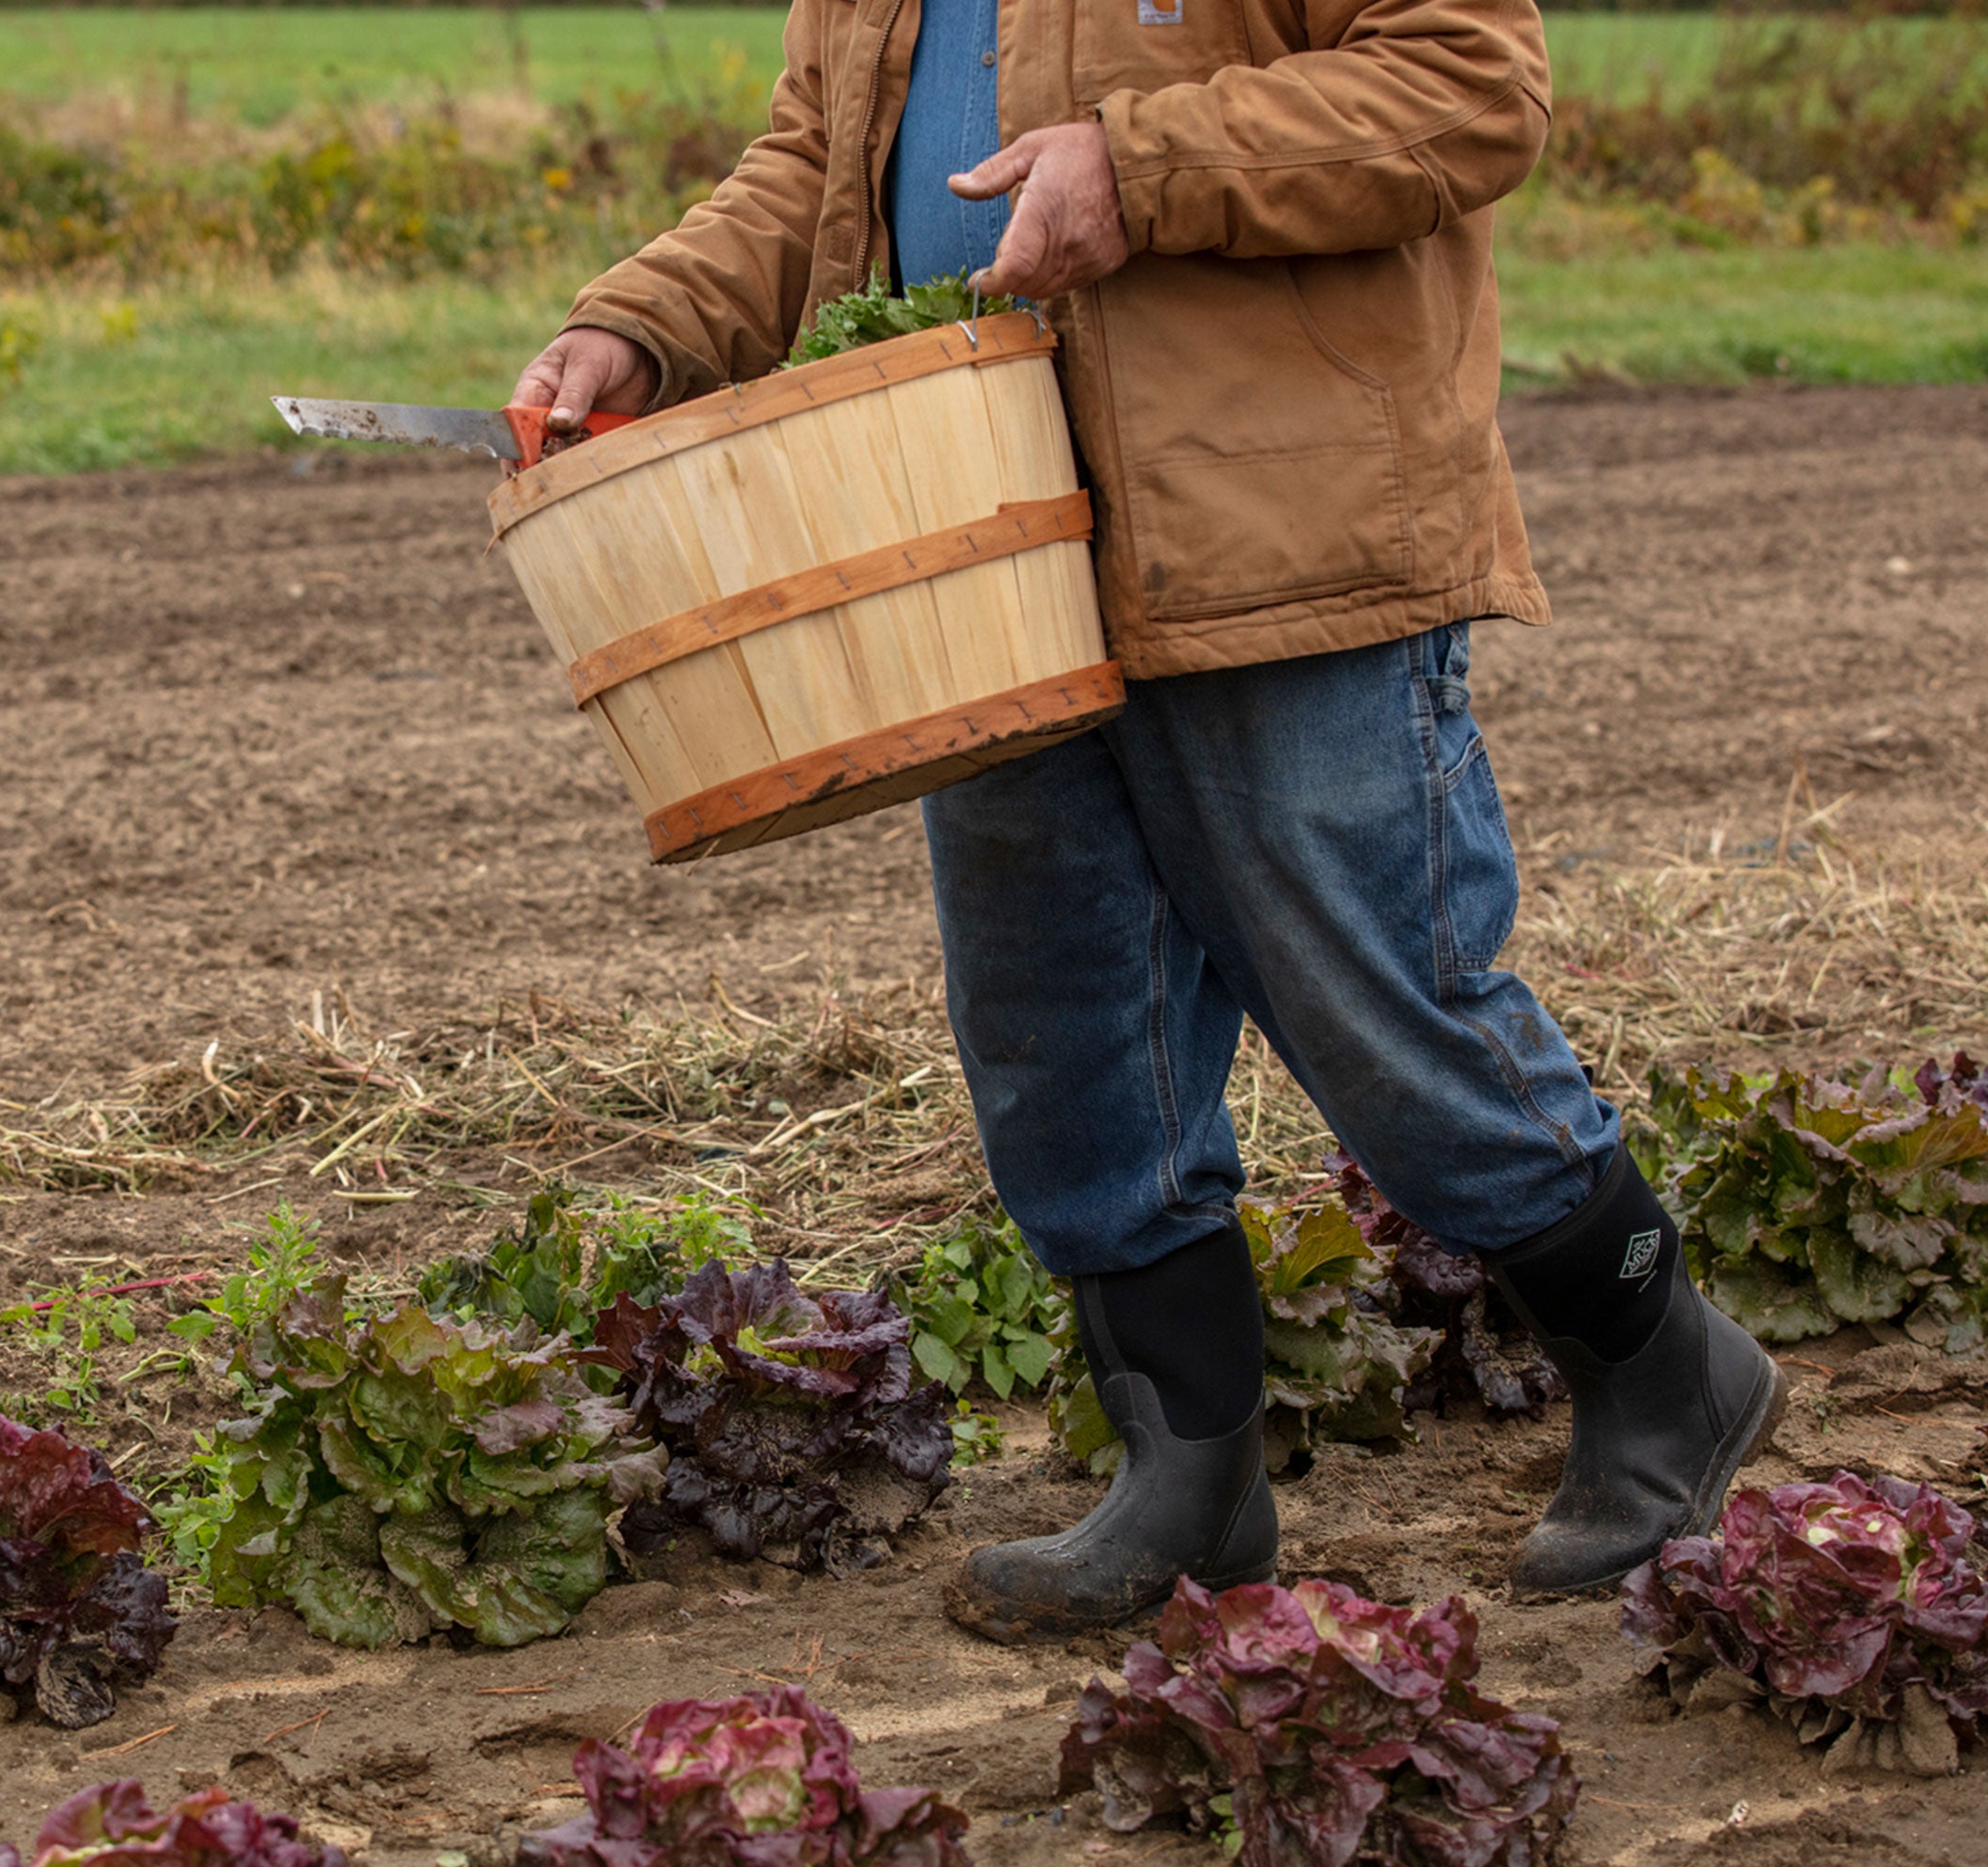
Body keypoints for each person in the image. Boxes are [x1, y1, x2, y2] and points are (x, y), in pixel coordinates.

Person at [506, 0, 1784, 1641]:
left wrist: (1141, 165)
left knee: (1382, 1001)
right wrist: (642, 325)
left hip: (1282, 527)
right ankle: (1189, 1477)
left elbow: (1471, 92)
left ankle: (1667, 1370)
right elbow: (821, 168)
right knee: (1064, 1028)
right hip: (975, 540)